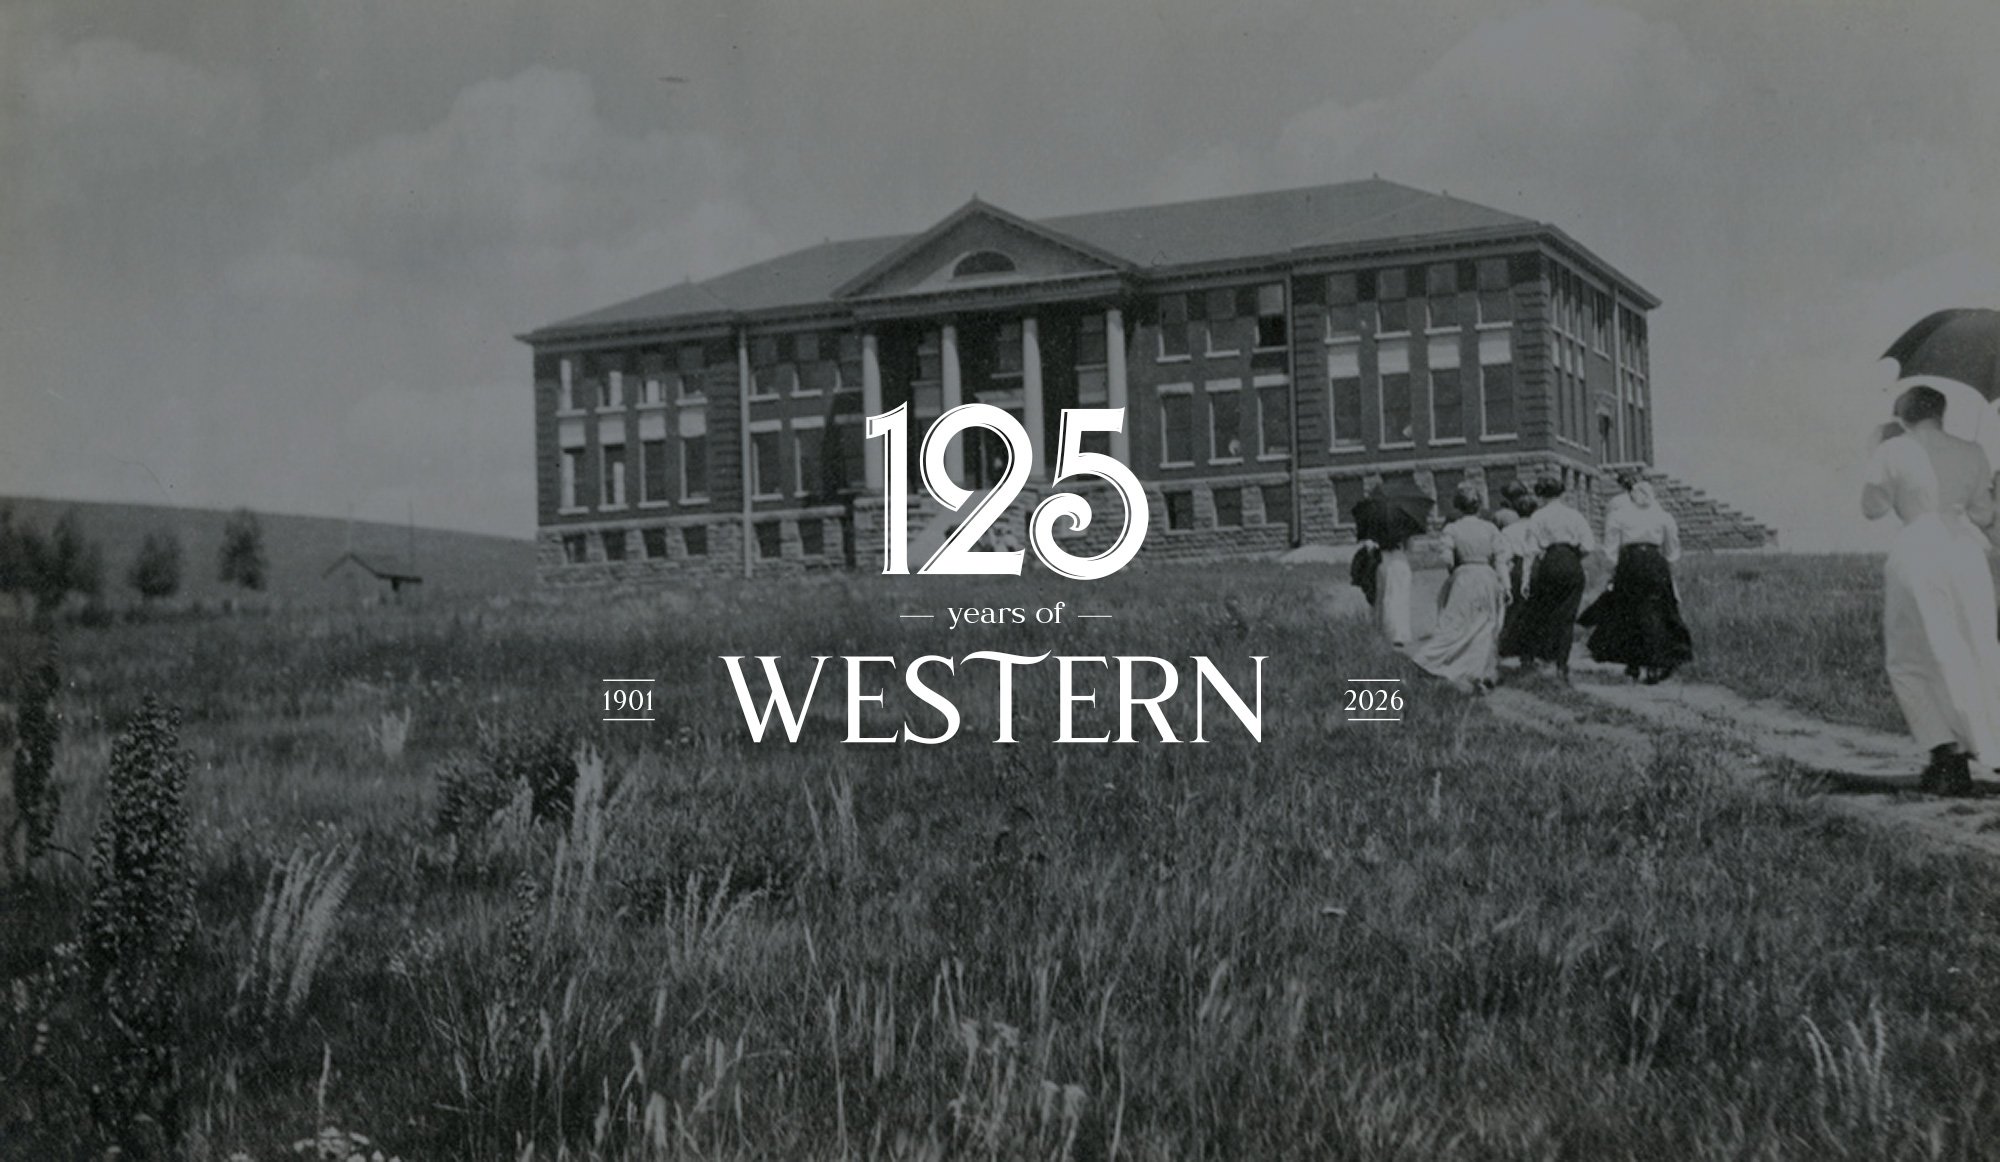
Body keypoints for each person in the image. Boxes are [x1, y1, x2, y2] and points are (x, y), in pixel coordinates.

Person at [1861, 384, 2000, 794]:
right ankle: (1992, 743)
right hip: (1965, 552)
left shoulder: (1893, 450)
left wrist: (1879, 453)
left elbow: (1872, 508)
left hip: (1918, 551)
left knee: (1911, 657)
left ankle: (1946, 755)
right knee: (1976, 647)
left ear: (1903, 414)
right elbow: (1983, 513)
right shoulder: (1972, 451)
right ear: (1941, 413)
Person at [1582, 476, 1694, 683]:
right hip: (1654, 561)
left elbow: (1610, 548)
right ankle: (1653, 663)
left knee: (1629, 610)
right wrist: (1667, 567)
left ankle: (1633, 663)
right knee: (1656, 610)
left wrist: (1616, 569)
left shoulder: (1620, 515)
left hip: (1630, 562)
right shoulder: (1663, 516)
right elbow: (1672, 549)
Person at [1409, 483, 1508, 692]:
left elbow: (1446, 558)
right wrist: (1505, 586)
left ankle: (1430, 659)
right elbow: (1500, 559)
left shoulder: (1452, 529)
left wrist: (1455, 570)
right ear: (1478, 505)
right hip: (1487, 577)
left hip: (1463, 576)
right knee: (1484, 626)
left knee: (1456, 622)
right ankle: (1477, 673)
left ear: (1458, 506)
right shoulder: (1489, 528)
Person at [1513, 474, 1594, 683]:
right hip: (1570, 561)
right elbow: (1588, 546)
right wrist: (1574, 557)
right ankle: (1562, 664)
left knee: (1547, 611)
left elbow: (1530, 551)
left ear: (1541, 494)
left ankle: (1546, 657)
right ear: (1561, 493)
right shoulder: (1575, 515)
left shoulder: (1538, 517)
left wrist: (1526, 580)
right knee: (1567, 617)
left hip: (1549, 562)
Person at [1352, 485, 1427, 650]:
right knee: (1401, 597)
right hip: (1400, 561)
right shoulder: (1403, 521)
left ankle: (1387, 632)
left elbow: (1369, 545)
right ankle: (1401, 633)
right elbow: (1410, 547)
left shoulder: (1374, 521)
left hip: (1384, 560)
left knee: (1386, 596)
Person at [1495, 490, 1540, 662]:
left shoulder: (1508, 531)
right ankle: (1532, 652)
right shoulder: (1539, 527)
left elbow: (1502, 559)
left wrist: (1505, 584)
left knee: (1517, 612)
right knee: (1536, 611)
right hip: (1538, 567)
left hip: (1518, 568)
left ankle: (1519, 650)